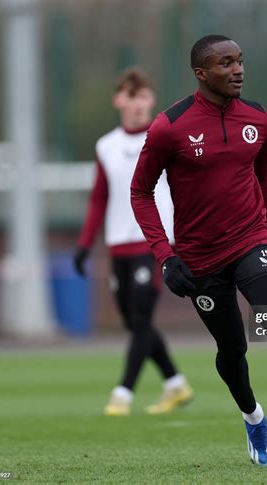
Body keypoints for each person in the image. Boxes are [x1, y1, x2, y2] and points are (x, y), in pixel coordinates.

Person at [131, 35, 267, 470]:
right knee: (232, 350)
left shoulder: (259, 119)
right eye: (225, 63)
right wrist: (166, 257)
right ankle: (253, 418)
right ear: (201, 73)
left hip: (252, 241)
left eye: (240, 61)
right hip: (199, 259)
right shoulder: (169, 127)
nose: (238, 70)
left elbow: (261, 177)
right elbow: (140, 192)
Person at [73, 67, 193, 417]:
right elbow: (99, 198)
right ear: (118, 100)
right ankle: (175, 383)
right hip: (118, 246)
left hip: (153, 244)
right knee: (134, 321)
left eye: (144, 96)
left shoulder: (164, 139)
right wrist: (84, 244)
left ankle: (122, 393)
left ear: (151, 100)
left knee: (140, 318)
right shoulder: (106, 146)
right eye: (131, 95)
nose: (138, 103)